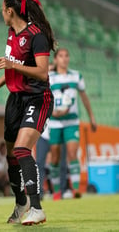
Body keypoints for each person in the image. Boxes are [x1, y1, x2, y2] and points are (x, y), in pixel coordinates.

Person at [0, 0, 55, 225]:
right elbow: (13, 66)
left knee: (22, 150)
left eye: (2, 9)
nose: (1, 13)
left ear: (10, 11)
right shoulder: (12, 34)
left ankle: (37, 207)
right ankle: (21, 202)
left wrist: (13, 64)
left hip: (36, 98)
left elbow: (42, 72)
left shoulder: (37, 35)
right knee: (11, 155)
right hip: (15, 100)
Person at [48, 48, 97, 200]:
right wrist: (51, 112)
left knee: (72, 153)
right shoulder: (49, 77)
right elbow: (43, 98)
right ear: (55, 59)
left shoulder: (76, 76)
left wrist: (92, 117)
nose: (64, 58)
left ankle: (75, 189)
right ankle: (56, 191)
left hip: (71, 121)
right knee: (55, 157)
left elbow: (84, 97)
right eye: (61, 56)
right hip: (55, 122)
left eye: (66, 55)